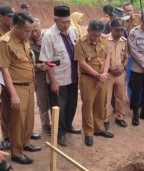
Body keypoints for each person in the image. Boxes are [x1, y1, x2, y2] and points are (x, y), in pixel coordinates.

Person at [0, 12, 41, 165]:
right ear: (15, 26)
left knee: (28, 119)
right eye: (27, 31)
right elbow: (4, 71)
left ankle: (26, 143)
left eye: (31, 30)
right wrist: (13, 95)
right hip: (16, 89)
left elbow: (25, 63)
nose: (30, 34)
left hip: (29, 86)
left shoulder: (23, 40)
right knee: (17, 122)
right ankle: (16, 153)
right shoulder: (5, 42)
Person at [40, 5, 81, 147]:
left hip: (73, 76)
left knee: (72, 104)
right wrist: (53, 82)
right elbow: (48, 61)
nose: (66, 24)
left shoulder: (73, 31)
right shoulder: (49, 36)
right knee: (58, 107)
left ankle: (68, 125)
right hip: (58, 78)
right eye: (63, 22)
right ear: (55, 20)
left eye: (68, 21)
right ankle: (60, 133)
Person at [74, 19, 114, 147]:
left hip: (102, 78)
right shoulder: (80, 43)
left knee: (100, 103)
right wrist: (98, 75)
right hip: (88, 79)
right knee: (88, 105)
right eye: (93, 35)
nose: (96, 38)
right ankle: (88, 133)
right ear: (88, 31)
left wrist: (104, 75)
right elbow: (82, 63)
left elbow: (107, 57)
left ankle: (99, 129)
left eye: (98, 35)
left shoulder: (104, 39)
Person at [28, 18, 51, 136]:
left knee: (56, 98)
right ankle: (46, 125)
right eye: (30, 31)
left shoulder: (49, 35)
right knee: (42, 100)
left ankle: (59, 123)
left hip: (53, 72)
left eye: (36, 30)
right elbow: (25, 63)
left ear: (41, 27)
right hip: (38, 74)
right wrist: (37, 65)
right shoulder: (26, 42)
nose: (33, 34)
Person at [104, 19, 129, 130]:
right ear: (111, 29)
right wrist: (109, 69)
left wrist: (123, 68)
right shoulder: (104, 40)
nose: (119, 33)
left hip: (120, 73)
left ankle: (119, 117)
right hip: (108, 74)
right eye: (117, 30)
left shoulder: (124, 41)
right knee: (106, 98)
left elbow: (127, 57)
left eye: (121, 31)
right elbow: (101, 59)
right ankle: (105, 119)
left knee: (120, 97)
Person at [0, 5, 15, 151]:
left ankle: (17, 132)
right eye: (9, 16)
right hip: (2, 75)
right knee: (5, 107)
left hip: (14, 73)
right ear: (1, 17)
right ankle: (5, 137)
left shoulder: (12, 32)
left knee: (15, 106)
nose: (12, 18)